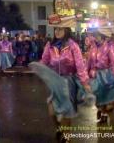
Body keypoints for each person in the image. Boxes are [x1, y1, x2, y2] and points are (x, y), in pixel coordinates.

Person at [30, 14, 91, 142]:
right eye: (56, 29)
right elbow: (44, 61)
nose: (57, 31)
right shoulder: (50, 45)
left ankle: (67, 137)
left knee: (66, 110)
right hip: (55, 82)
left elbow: (80, 65)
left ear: (66, 30)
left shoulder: (73, 46)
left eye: (60, 29)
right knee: (52, 111)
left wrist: (85, 82)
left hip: (68, 82)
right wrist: (37, 67)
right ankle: (59, 129)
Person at [86, 27, 114, 123]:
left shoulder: (109, 48)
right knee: (96, 94)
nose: (95, 37)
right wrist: (86, 73)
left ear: (102, 37)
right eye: (94, 36)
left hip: (105, 75)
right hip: (94, 75)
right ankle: (99, 111)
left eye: (97, 36)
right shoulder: (92, 48)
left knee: (103, 94)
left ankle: (104, 113)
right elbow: (89, 61)